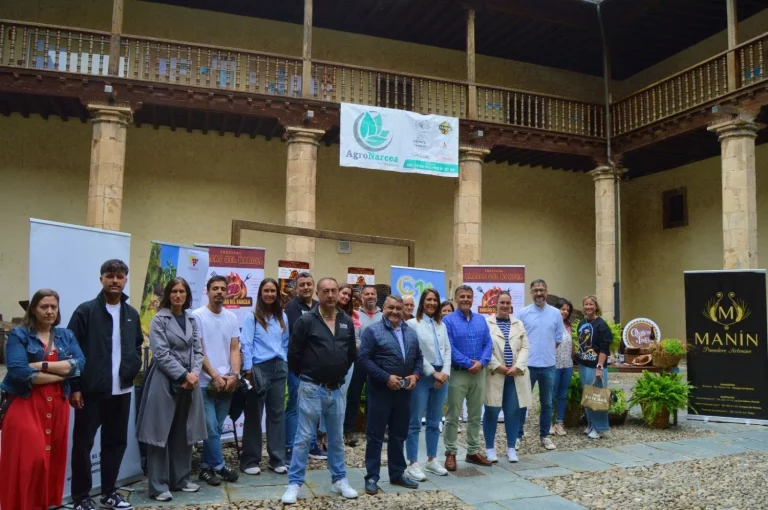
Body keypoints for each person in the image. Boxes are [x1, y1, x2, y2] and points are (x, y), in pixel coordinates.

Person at [68, 259, 143, 510]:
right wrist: (76, 386)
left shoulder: (131, 314)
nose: (115, 281)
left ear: (125, 280)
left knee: (115, 443)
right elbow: (71, 351)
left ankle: (110, 492)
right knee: (83, 446)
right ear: (101, 279)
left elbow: (136, 346)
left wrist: (131, 370)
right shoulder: (85, 311)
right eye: (110, 276)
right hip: (91, 392)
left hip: (121, 391)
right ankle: (81, 497)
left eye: (120, 276)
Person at [0, 289, 86, 510]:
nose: (49, 311)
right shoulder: (20, 335)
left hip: (58, 404)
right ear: (34, 309)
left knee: (51, 463)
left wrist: (40, 365)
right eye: (44, 306)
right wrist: (63, 373)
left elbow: (80, 364)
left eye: (53, 307)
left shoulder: (66, 335)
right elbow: (20, 371)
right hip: (25, 402)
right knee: (31, 460)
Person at [281, 278, 358, 505]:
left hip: (336, 389)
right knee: (303, 438)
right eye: (326, 291)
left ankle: (339, 479)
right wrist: (307, 375)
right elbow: (294, 355)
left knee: (336, 439)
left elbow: (351, 353)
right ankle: (294, 483)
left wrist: (339, 371)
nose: (331, 295)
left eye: (334, 291)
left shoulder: (345, 321)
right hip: (311, 388)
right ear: (318, 293)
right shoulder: (307, 321)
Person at [136, 278, 207, 502]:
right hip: (165, 380)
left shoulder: (191, 319)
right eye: (175, 291)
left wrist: (194, 374)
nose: (178, 295)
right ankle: (158, 486)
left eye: (182, 291)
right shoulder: (159, 319)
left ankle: (181, 479)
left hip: (190, 382)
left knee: (184, 431)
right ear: (169, 294)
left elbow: (198, 350)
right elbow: (160, 353)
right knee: (160, 434)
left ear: (187, 295)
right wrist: (184, 374)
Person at [358, 295, 423, 494]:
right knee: (375, 436)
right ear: (383, 308)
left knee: (398, 435)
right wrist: (386, 377)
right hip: (380, 392)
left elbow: (418, 358)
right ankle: (372, 477)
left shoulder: (410, 332)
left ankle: (397, 474)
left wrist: (416, 375)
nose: (394, 312)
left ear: (404, 310)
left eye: (398, 308)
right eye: (390, 308)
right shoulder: (372, 331)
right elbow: (363, 359)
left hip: (404, 393)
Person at [193, 275, 242, 485]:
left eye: (223, 288)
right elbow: (199, 350)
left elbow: (234, 348)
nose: (219, 292)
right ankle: (220, 466)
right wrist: (214, 375)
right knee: (211, 428)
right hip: (205, 383)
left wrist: (235, 375)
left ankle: (205, 468)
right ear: (208, 291)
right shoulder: (197, 316)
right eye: (215, 288)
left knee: (217, 428)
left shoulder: (231, 318)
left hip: (227, 384)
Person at [240, 278, 289, 475]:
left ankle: (277, 459)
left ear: (277, 294)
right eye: (266, 291)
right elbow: (246, 344)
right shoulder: (251, 317)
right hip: (258, 369)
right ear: (260, 293)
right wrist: (249, 370)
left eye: (273, 291)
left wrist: (284, 360)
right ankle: (250, 460)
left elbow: (285, 342)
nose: (269, 294)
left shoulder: (282, 317)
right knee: (254, 415)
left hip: (279, 368)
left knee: (277, 414)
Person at [442, 285, 493, 471]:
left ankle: (472, 451)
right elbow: (449, 347)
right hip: (458, 373)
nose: (465, 299)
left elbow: (488, 343)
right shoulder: (448, 321)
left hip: (479, 374)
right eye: (462, 296)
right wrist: (467, 363)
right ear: (456, 299)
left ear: (473, 299)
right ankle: (450, 453)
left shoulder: (481, 320)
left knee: (475, 415)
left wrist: (481, 362)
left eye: (469, 296)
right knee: (453, 416)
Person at [404, 288, 451, 480]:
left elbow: (448, 350)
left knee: (434, 421)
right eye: (428, 299)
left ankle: (432, 460)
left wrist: (445, 373)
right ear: (422, 302)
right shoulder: (412, 324)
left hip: (442, 378)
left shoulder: (442, 325)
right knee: (415, 422)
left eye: (435, 300)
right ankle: (413, 463)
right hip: (423, 376)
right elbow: (416, 353)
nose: (432, 303)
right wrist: (434, 373)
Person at [482, 292, 532, 464]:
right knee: (491, 412)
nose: (505, 305)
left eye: (508, 303)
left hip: (515, 376)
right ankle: (490, 448)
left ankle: (511, 448)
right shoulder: (487, 323)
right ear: (496, 304)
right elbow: (485, 348)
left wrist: (517, 366)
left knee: (512, 413)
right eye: (502, 302)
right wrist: (498, 366)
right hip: (496, 374)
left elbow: (525, 347)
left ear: (511, 305)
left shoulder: (518, 324)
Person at [516, 279, 563, 451]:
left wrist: (545, 352)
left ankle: (545, 436)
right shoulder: (523, 313)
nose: (539, 294)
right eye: (536, 290)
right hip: (528, 365)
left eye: (542, 290)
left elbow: (558, 339)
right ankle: (518, 435)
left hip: (549, 365)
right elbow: (518, 339)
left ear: (547, 291)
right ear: (531, 293)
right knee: (522, 402)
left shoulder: (555, 313)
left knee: (547, 403)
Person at [284, 272, 326, 461]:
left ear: (314, 286)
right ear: (296, 288)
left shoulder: (319, 306)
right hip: (297, 368)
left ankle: (312, 446)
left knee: (313, 408)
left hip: (317, 368)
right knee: (295, 407)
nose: (306, 287)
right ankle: (290, 447)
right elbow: (295, 336)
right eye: (302, 285)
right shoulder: (291, 308)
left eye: (309, 284)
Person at [343, 284, 383, 440]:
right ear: (361, 296)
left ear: (377, 297)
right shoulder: (355, 315)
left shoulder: (383, 315)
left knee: (374, 397)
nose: (370, 297)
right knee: (353, 396)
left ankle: (371, 430)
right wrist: (367, 352)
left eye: (373, 294)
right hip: (359, 361)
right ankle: (349, 431)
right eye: (367, 294)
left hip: (377, 363)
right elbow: (355, 338)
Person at [575, 295, 613, 439]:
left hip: (595, 366)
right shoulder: (582, 323)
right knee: (588, 395)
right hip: (584, 365)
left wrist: (599, 367)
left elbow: (604, 347)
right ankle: (590, 424)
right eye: (586, 304)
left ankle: (598, 428)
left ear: (596, 306)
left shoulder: (601, 324)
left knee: (597, 397)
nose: (588, 307)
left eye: (591, 304)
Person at [338, 283, 362, 447]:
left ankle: (342, 432)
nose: (346, 297)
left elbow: (356, 340)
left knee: (343, 397)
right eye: (343, 293)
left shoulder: (352, 316)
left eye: (349, 295)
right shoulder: (325, 311)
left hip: (349, 361)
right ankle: (325, 435)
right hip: (331, 361)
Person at [551, 298, 574, 437]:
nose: (565, 312)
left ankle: (559, 422)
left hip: (567, 365)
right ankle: (548, 422)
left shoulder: (568, 326)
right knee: (551, 395)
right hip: (554, 364)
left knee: (563, 395)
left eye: (567, 310)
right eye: (562, 309)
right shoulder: (551, 324)